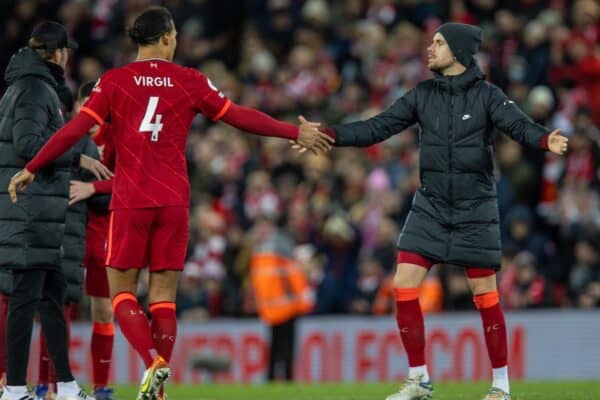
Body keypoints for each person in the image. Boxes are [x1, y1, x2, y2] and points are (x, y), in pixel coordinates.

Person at [8, 7, 333, 400]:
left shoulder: (113, 81)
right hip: (174, 200)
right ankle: (158, 392)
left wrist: (32, 165)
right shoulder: (190, 80)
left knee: (121, 292)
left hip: (131, 199)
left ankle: (154, 363)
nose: (176, 41)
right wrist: (292, 131)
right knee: (163, 297)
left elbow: (75, 129)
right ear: (164, 38)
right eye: (174, 35)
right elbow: (241, 117)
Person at [297, 23, 568, 400]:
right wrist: (329, 133)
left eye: (438, 43)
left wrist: (544, 138)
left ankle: (501, 387)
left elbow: (517, 126)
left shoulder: (488, 96)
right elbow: (378, 127)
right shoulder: (422, 95)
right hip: (432, 205)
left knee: (485, 294)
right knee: (403, 284)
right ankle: (419, 379)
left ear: (457, 51)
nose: (430, 48)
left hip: (476, 206)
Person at [0, 21, 108, 400]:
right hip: (29, 213)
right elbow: (29, 145)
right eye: (66, 50)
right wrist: (77, 155)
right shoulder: (32, 89)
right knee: (26, 299)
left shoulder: (32, 85)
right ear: (56, 52)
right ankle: (13, 388)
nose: (68, 57)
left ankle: (64, 386)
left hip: (39, 213)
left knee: (50, 298)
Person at [34, 82, 116, 400]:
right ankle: (46, 384)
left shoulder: (116, 137)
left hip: (104, 230)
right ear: (80, 105)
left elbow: (125, 182)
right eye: (89, 103)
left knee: (104, 310)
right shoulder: (67, 137)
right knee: (57, 304)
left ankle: (101, 387)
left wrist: (93, 189)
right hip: (68, 228)